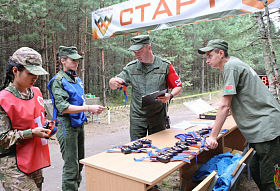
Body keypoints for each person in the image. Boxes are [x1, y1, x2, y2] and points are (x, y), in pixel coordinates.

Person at [198, 39, 280, 191]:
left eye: (210, 55)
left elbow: (224, 105)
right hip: (262, 128)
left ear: (221, 53)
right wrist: (216, 124)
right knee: (255, 168)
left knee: (270, 180)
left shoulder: (230, 67)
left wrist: (212, 136)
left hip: (267, 129)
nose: (207, 60)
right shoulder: (234, 65)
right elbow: (235, 101)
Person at [47, 46, 105, 191]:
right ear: (63, 61)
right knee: (71, 167)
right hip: (66, 126)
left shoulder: (76, 79)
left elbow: (79, 100)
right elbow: (63, 107)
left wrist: (88, 109)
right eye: (73, 60)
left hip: (78, 124)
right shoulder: (58, 81)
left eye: (78, 60)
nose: (76, 63)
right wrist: (88, 108)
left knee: (79, 164)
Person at [109, 35, 182, 141]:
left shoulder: (165, 66)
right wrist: (112, 82)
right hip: (137, 118)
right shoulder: (131, 67)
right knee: (136, 149)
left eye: (139, 51)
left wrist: (170, 96)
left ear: (149, 48)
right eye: (135, 52)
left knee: (159, 148)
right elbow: (116, 81)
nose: (137, 54)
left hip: (158, 117)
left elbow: (178, 86)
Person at [0, 47, 52, 190]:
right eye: (30, 73)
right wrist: (31, 133)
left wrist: (48, 127)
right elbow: (2, 138)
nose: (35, 78)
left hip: (34, 160)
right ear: (15, 71)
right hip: (13, 165)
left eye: (37, 74)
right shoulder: (3, 100)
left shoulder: (36, 92)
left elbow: (40, 119)